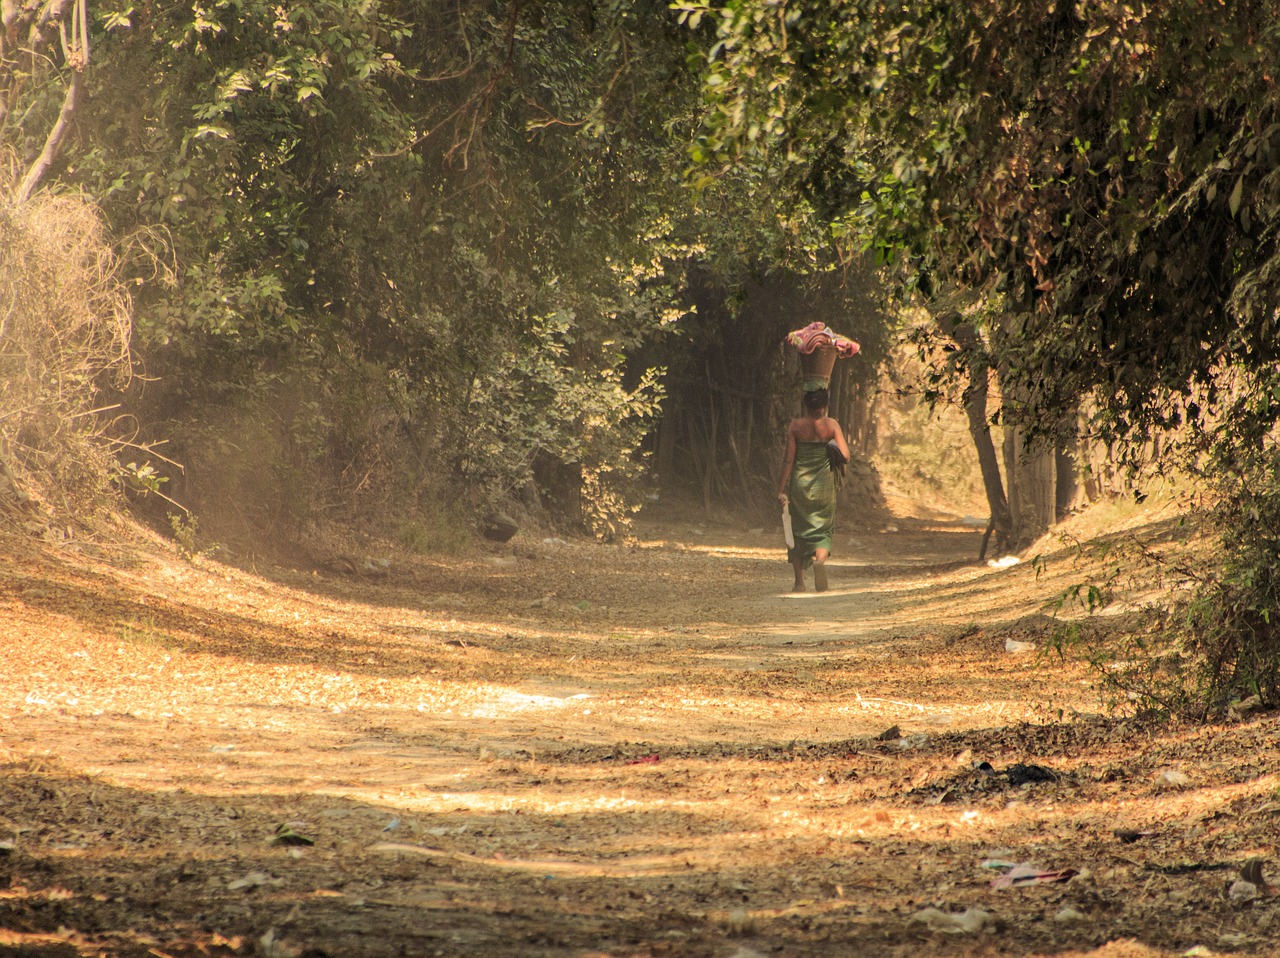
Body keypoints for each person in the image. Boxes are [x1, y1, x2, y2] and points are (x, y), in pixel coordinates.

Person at [776, 387, 851, 592]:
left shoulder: (796, 426)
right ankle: (819, 561)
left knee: (797, 532)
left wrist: (780, 488)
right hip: (824, 486)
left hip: (800, 486)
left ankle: (799, 583)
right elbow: (845, 455)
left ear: (805, 405)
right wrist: (829, 448)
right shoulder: (831, 424)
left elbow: (789, 460)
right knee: (823, 531)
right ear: (825, 406)